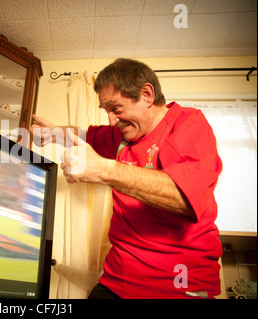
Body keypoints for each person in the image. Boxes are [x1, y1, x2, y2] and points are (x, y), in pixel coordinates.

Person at [31, 58, 223, 299]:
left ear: (146, 95)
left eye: (116, 108)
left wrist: (104, 170)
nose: (111, 120)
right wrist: (55, 132)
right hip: (116, 281)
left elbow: (184, 199)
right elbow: (84, 134)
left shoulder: (188, 123)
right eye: (106, 111)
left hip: (178, 284)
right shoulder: (122, 135)